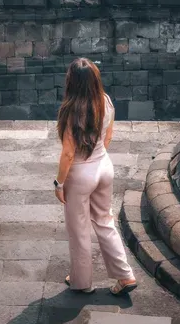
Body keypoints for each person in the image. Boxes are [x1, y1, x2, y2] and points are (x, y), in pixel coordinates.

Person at [54, 57, 137, 296]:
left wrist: (59, 183)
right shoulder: (106, 101)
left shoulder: (71, 110)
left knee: (78, 229)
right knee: (105, 221)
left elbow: (68, 153)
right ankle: (126, 276)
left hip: (80, 173)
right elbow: (108, 137)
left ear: (73, 82)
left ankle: (81, 282)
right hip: (104, 166)